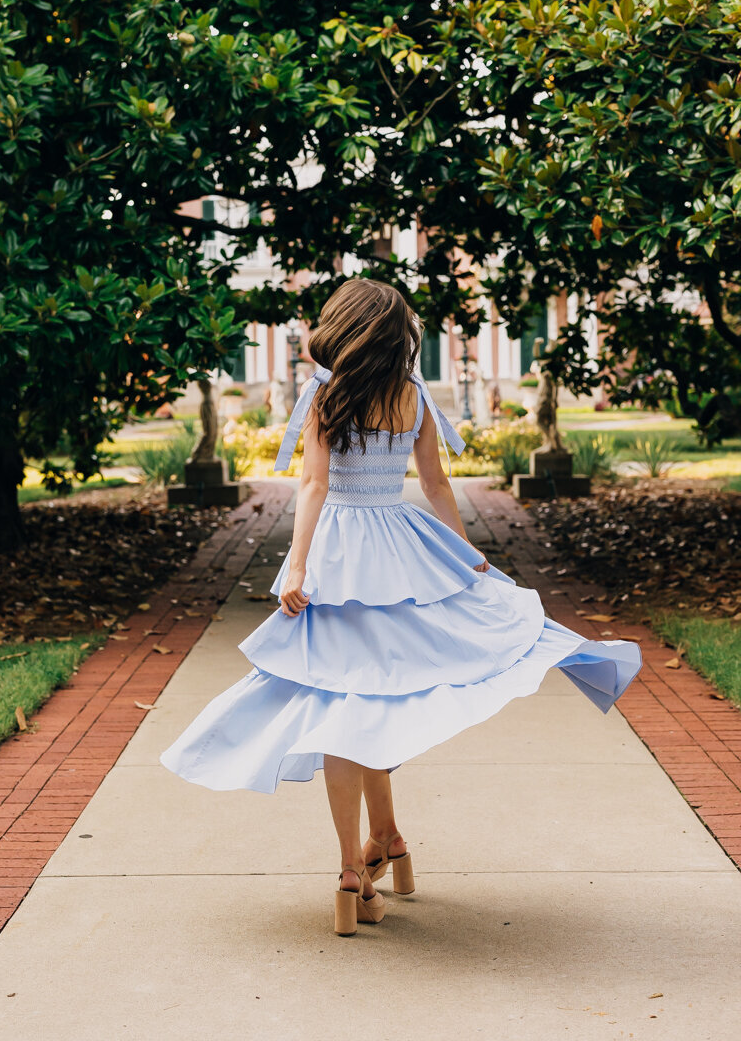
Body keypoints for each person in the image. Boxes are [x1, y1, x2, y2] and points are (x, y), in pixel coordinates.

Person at [160, 278, 642, 937]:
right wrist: (466, 556)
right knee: (379, 696)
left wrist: (297, 565)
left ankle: (351, 869)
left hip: (339, 557)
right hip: (400, 549)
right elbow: (437, 485)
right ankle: (386, 841)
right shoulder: (413, 394)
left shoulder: (326, 395)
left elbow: (313, 484)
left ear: (345, 329)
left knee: (343, 702)